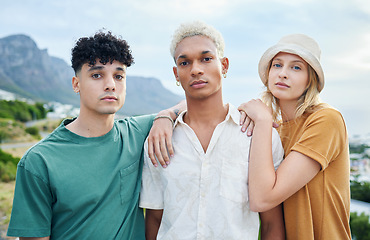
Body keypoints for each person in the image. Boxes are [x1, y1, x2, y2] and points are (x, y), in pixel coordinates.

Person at [7, 31, 182, 240]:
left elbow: (191, 103)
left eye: (118, 76)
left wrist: (165, 116)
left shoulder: (136, 132)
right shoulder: (38, 161)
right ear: (76, 84)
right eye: (96, 75)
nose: (110, 85)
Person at [139, 21, 285, 240]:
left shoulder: (260, 137)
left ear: (224, 65)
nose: (196, 69)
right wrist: (165, 116)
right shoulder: (159, 140)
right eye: (185, 62)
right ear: (176, 74)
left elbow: (272, 224)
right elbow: (154, 219)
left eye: (206, 59)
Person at [238, 34, 351, 239]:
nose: (283, 74)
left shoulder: (326, 120)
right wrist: (169, 114)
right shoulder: (275, 131)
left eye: (296, 67)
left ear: (311, 80)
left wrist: (262, 121)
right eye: (277, 65)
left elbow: (262, 199)